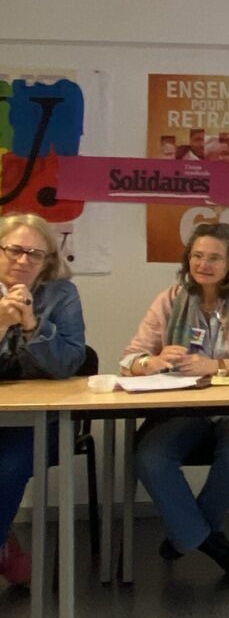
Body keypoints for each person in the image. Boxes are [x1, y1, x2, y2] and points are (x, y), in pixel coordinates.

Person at [120, 222, 229, 576]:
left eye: (214, 257)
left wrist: (218, 365)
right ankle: (204, 537)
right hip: (182, 409)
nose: (203, 264)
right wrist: (155, 361)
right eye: (197, 255)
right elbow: (130, 358)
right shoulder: (169, 299)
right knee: (149, 457)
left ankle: (189, 530)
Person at [0, 213, 86, 586]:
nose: (23, 261)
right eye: (15, 250)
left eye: (35, 254)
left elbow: (69, 362)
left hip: (35, 419)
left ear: (48, 261)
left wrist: (32, 325)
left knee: (8, 468)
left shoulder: (60, 294)